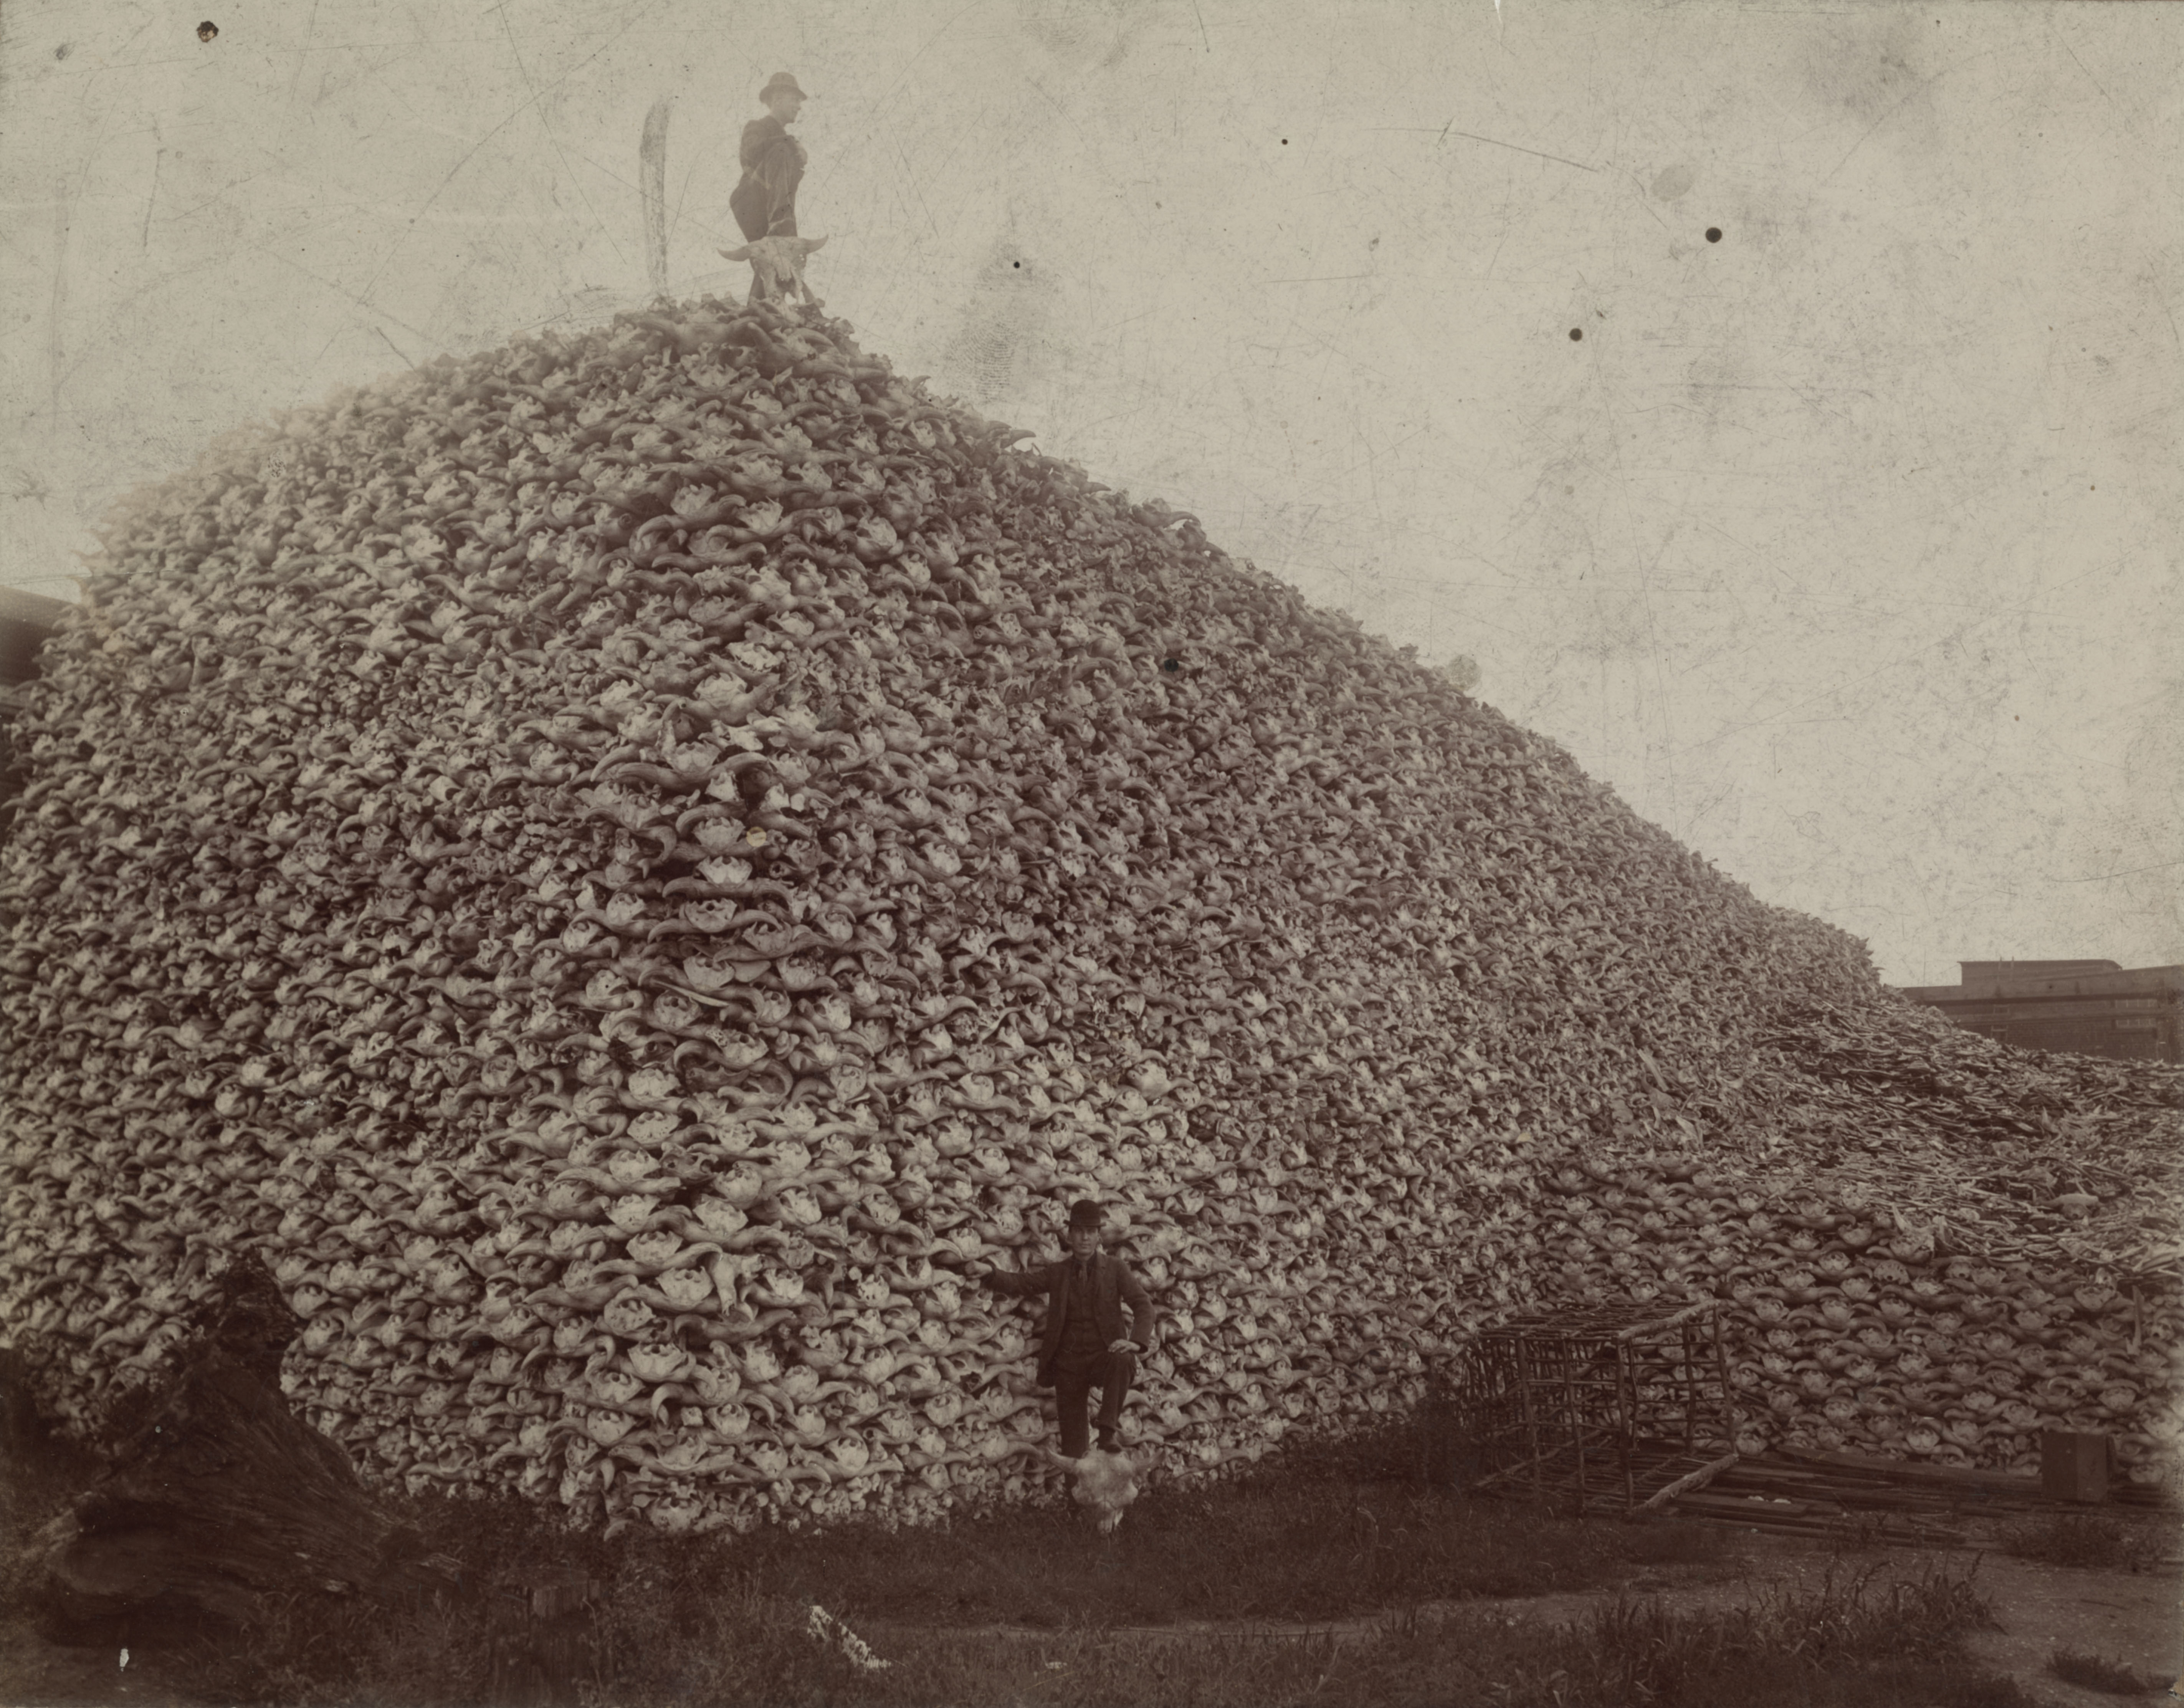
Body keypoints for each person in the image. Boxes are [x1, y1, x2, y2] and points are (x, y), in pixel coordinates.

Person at [980, 1200, 1156, 1457]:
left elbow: (1143, 1305)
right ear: (1070, 1235)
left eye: (1091, 1232)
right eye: (1079, 1231)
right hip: (1068, 1365)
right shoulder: (1058, 1272)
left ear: (1098, 1236)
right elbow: (1022, 1283)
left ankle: (1107, 1431)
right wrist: (989, 1273)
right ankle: (1076, 1498)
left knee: (1125, 1359)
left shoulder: (1115, 1269)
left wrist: (1136, 1341)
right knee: (1074, 1446)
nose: (1085, 1238)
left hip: (1101, 1358)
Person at [730, 73, 810, 302]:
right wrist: (791, 142)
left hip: (773, 206)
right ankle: (781, 223)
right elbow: (752, 152)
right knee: (781, 150)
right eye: (795, 100)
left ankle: (758, 309)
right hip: (751, 201)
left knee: (772, 261)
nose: (799, 107)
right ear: (776, 99)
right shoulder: (757, 127)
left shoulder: (784, 140)